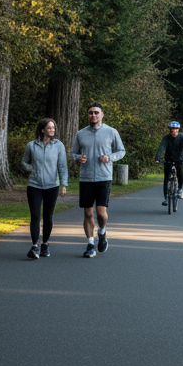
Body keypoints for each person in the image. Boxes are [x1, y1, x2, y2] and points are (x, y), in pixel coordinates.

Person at [71, 102, 125, 258]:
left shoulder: (111, 132)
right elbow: (74, 153)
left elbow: (121, 151)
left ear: (102, 114)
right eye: (90, 113)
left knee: (101, 213)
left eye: (96, 112)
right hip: (86, 178)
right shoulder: (81, 134)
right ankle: (90, 243)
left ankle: (102, 231)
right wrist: (78, 159)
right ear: (87, 115)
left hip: (104, 177)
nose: (93, 115)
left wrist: (110, 157)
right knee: (88, 213)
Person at [21, 118, 68, 259]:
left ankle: (45, 244)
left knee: (48, 216)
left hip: (52, 186)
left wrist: (64, 185)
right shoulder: (31, 145)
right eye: (49, 128)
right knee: (35, 216)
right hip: (34, 185)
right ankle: (34, 246)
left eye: (53, 128)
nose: (52, 130)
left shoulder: (59, 146)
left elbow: (62, 167)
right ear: (42, 130)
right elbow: (24, 162)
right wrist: (31, 168)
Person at [156, 121, 183, 206]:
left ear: (178, 129)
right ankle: (166, 198)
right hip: (168, 159)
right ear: (169, 130)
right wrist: (158, 157)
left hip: (180, 159)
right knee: (166, 178)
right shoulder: (166, 138)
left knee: (180, 173)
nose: (174, 131)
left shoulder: (182, 137)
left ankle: (179, 189)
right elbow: (161, 148)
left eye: (175, 129)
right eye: (172, 129)